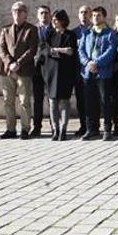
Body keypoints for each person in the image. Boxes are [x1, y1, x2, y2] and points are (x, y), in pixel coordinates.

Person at [0, 1, 39, 140]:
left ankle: (25, 129)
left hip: (24, 70)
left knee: (24, 101)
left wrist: (18, 63)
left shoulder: (31, 29)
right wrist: (9, 62)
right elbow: (0, 48)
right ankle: (10, 129)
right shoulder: (5, 29)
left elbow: (32, 49)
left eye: (20, 11)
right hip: (7, 70)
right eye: (14, 11)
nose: (17, 13)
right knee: (8, 101)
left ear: (25, 14)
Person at [78, 6, 118, 141]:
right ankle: (92, 129)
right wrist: (88, 63)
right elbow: (81, 50)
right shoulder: (87, 33)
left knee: (105, 101)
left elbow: (111, 51)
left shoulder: (109, 33)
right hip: (88, 73)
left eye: (99, 15)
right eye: (94, 15)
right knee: (90, 102)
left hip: (103, 73)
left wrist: (96, 63)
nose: (95, 17)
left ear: (104, 17)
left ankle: (107, 129)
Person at [40, 9, 78, 141]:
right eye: (53, 19)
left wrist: (57, 50)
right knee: (52, 102)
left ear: (62, 20)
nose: (53, 21)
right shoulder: (49, 34)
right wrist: (59, 50)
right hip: (51, 71)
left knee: (64, 101)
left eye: (56, 19)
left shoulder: (70, 35)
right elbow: (44, 49)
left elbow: (71, 51)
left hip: (65, 72)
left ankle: (63, 129)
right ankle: (55, 129)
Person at [70, 5, 92, 137]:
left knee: (92, 100)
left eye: (86, 12)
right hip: (78, 71)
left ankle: (92, 125)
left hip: (92, 70)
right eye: (81, 12)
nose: (83, 15)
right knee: (80, 100)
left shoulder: (94, 30)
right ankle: (83, 125)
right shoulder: (73, 33)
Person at [32, 4, 52, 137]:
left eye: (46, 13)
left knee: (52, 98)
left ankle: (54, 126)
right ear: (37, 16)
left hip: (51, 68)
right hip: (36, 68)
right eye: (41, 13)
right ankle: (37, 127)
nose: (44, 15)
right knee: (37, 99)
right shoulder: (32, 30)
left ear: (49, 15)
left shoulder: (54, 30)